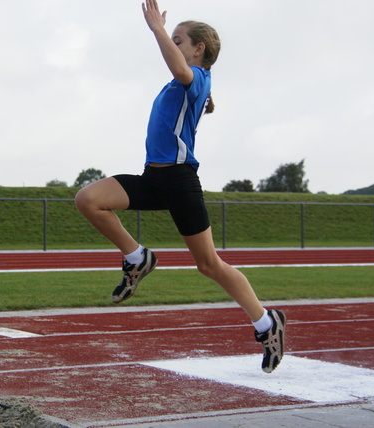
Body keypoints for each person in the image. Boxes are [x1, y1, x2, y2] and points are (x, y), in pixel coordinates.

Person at [75, 0, 286, 373]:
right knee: (89, 199)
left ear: (198, 49)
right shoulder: (180, 81)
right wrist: (164, 36)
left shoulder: (198, 77)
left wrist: (156, 28)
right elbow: (176, 69)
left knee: (209, 265)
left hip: (180, 180)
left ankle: (267, 324)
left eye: (179, 40)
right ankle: (138, 257)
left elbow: (178, 66)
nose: (173, 44)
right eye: (172, 39)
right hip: (153, 178)